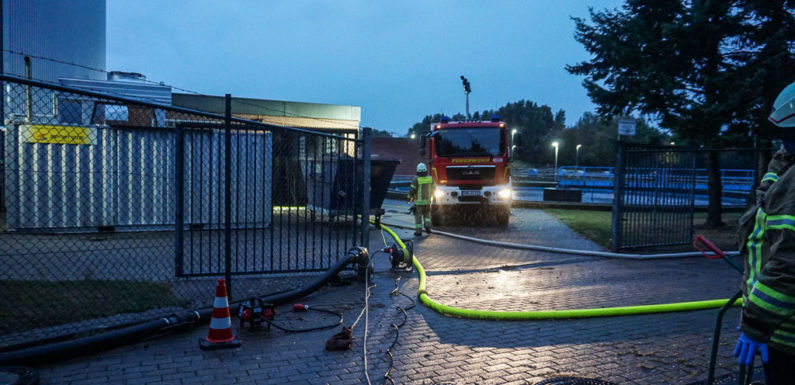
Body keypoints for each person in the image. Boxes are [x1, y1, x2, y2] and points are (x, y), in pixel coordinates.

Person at [735, 81, 795, 384]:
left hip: (785, 332)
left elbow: (789, 264)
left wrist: (756, 321)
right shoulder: (785, 162)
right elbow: (764, 204)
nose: (785, 143)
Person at [408, 162, 433, 236]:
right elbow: (434, 189)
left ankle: (418, 232)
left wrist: (409, 199)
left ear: (417, 171)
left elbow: (412, 190)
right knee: (427, 215)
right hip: (427, 202)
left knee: (418, 217)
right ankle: (427, 226)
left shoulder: (416, 179)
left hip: (418, 203)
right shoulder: (430, 178)